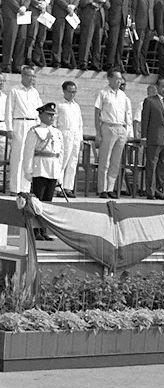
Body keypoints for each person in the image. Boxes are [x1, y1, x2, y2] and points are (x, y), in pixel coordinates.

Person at [22, 103, 63, 241]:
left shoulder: (57, 132)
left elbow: (60, 154)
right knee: (37, 201)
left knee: (47, 202)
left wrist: (59, 173)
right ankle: (35, 230)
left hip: (52, 169)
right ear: (41, 115)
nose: (51, 117)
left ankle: (44, 230)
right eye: (48, 115)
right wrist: (28, 171)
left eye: (53, 115)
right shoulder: (34, 131)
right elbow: (28, 152)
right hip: (39, 169)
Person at [5, 66, 43, 194]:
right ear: (23, 75)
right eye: (30, 76)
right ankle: (15, 188)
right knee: (18, 156)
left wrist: (39, 126)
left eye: (34, 76)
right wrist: (9, 128)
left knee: (29, 157)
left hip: (32, 125)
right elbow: (9, 110)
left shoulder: (35, 92)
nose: (32, 78)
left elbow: (39, 111)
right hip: (19, 123)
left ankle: (25, 188)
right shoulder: (15, 90)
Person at [94, 70, 131, 199]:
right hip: (107, 126)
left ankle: (111, 188)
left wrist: (127, 131)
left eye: (120, 79)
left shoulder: (123, 96)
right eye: (116, 79)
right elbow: (97, 112)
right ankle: (102, 188)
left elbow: (127, 114)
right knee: (105, 159)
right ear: (109, 79)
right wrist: (98, 132)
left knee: (116, 161)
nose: (119, 81)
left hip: (120, 127)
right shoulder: (103, 93)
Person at [141, 78, 164, 200]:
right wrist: (143, 137)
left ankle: (160, 190)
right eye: (163, 87)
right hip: (154, 138)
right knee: (152, 165)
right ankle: (150, 191)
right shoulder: (150, 101)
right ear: (158, 88)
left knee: (162, 166)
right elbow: (145, 120)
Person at [55, 80, 82, 199]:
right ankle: (58, 186)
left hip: (75, 134)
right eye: (70, 92)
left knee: (73, 162)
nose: (72, 94)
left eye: (74, 92)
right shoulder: (59, 105)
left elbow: (80, 124)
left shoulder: (76, 106)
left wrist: (80, 139)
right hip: (64, 133)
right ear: (64, 91)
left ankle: (68, 187)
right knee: (63, 160)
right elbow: (55, 122)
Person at [78, 0, 108, 71]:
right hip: (88, 16)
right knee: (86, 41)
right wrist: (91, 1)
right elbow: (81, 3)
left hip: (100, 17)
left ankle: (95, 64)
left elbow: (108, 6)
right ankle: (83, 63)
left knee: (97, 43)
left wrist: (104, 1)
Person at [1, 0, 29, 73]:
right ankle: (6, 65)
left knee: (21, 39)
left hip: (23, 13)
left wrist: (25, 6)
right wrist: (18, 8)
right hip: (10, 10)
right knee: (10, 39)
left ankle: (17, 65)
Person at [50, 0, 78, 68]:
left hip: (71, 14)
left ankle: (66, 61)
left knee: (69, 39)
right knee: (58, 38)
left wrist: (73, 6)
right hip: (59, 12)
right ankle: (56, 61)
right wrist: (67, 7)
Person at [104, 0, 130, 72]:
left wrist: (129, 18)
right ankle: (110, 63)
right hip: (113, 18)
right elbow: (106, 5)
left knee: (120, 43)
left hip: (124, 20)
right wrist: (106, 20)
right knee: (113, 42)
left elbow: (129, 6)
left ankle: (118, 64)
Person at [25, 0, 50, 67]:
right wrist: (38, 4)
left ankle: (36, 58)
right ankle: (28, 58)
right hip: (34, 9)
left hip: (45, 11)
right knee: (32, 35)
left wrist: (45, 4)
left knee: (41, 37)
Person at [132, 0, 154, 75]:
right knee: (138, 47)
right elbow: (133, 9)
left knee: (145, 48)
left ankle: (142, 67)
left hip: (149, 25)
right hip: (139, 24)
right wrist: (133, 22)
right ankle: (136, 66)